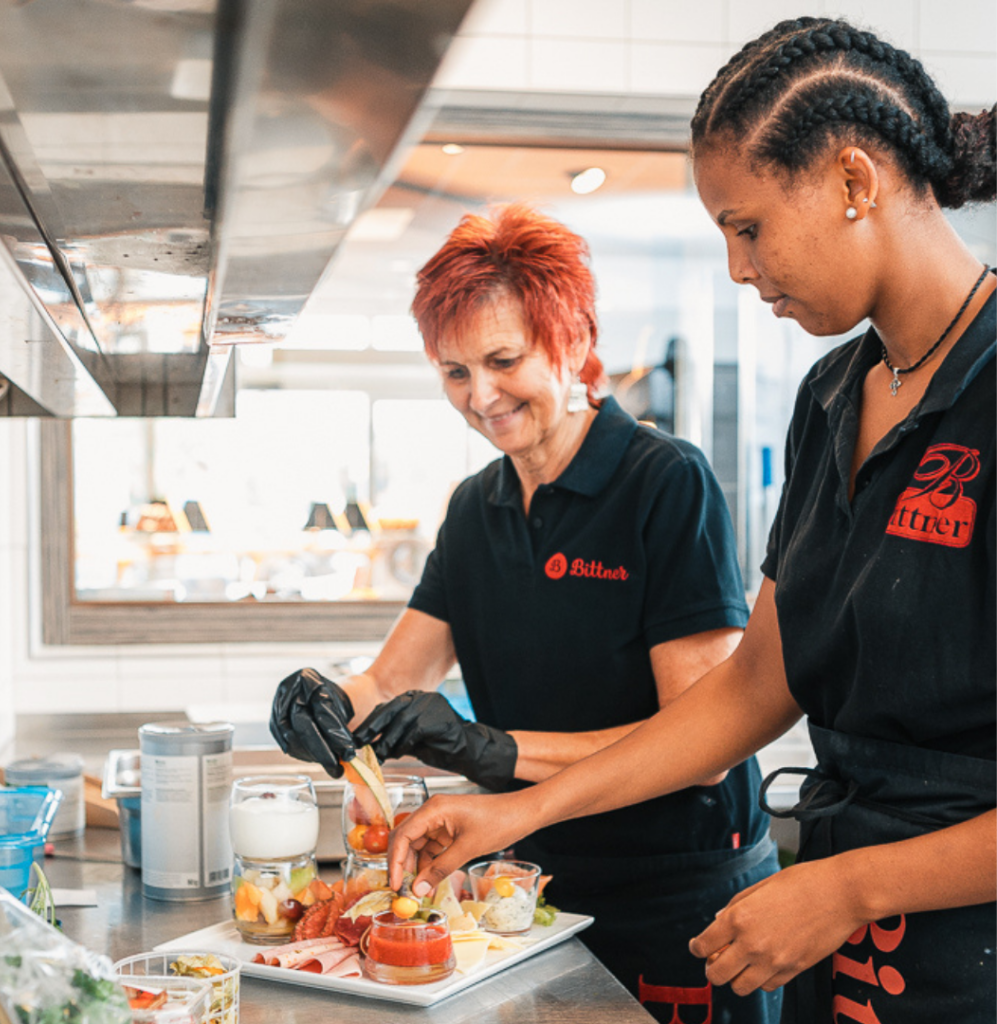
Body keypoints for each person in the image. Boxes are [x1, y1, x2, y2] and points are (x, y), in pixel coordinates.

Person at [387, 16, 997, 1024]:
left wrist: (852, 885)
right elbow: (753, 685)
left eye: (746, 225)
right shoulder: (833, 396)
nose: (735, 268)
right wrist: (516, 808)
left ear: (854, 182)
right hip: (834, 947)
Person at [270, 203, 782, 1023]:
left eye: (503, 360)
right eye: (454, 372)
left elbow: (705, 745)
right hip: (528, 892)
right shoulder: (476, 507)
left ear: (573, 343)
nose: (481, 396)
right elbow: (390, 681)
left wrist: (490, 749)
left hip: (678, 903)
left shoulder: (663, 482)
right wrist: (323, 700)